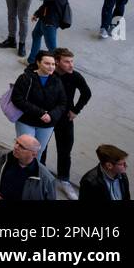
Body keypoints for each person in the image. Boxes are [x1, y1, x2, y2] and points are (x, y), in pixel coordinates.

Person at [43, 48, 91, 200]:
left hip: (65, 119)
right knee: (41, 147)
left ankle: (64, 180)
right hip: (47, 118)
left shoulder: (75, 76)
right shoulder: (48, 74)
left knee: (65, 151)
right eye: (67, 61)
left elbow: (86, 93)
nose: (71, 65)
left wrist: (76, 110)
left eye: (72, 61)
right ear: (57, 61)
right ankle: (41, 175)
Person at [10, 51, 66, 153]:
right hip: (26, 121)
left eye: (53, 64)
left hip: (46, 124)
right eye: (47, 63)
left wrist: (51, 116)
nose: (51, 67)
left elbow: (62, 103)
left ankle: (33, 169)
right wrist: (41, 113)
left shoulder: (57, 81)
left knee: (38, 153)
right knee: (24, 151)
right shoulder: (26, 78)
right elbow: (17, 99)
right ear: (38, 63)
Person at [24, 0, 71, 68]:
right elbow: (48, 3)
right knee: (36, 35)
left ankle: (58, 69)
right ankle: (32, 60)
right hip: (45, 18)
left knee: (53, 49)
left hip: (50, 22)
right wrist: (37, 13)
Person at [0, 135, 56, 201]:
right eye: (16, 142)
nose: (16, 147)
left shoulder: (47, 179)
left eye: (22, 147)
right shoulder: (4, 157)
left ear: (34, 154)